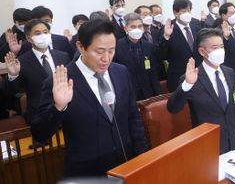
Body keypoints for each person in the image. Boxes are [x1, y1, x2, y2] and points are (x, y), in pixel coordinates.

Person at [31, 19, 148, 177]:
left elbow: (133, 116)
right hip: (87, 170)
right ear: (80, 47)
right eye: (99, 52)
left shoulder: (121, 72)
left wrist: (143, 155)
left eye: (111, 51)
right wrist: (59, 107)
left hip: (126, 160)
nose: (106, 58)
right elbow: (40, 134)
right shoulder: (60, 80)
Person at [167, 28, 235, 154]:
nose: (220, 51)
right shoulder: (192, 78)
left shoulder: (229, 72)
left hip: (232, 139)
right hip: (208, 143)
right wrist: (187, 84)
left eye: (221, 46)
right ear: (202, 51)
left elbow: (234, 104)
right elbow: (173, 108)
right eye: (214, 47)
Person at [4, 19, 70, 125]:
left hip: (67, 112)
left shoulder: (63, 56)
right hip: (40, 116)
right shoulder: (22, 61)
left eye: (45, 32)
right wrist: (13, 75)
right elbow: (9, 92)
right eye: (38, 33)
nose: (43, 36)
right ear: (29, 38)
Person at [157, 0, 201, 92]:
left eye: (189, 10)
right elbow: (161, 55)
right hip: (178, 78)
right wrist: (166, 37)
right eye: (184, 11)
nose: (187, 13)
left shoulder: (196, 26)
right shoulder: (168, 28)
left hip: (198, 76)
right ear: (175, 13)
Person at [113, 13, 160, 100]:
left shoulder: (148, 46)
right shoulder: (117, 46)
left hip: (147, 92)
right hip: (127, 92)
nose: (137, 29)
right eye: (133, 27)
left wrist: (157, 93)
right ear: (126, 28)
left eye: (140, 26)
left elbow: (153, 72)